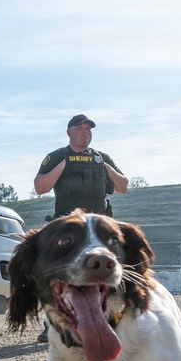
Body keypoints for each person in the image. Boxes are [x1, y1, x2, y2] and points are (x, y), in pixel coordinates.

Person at [32, 114, 129, 341]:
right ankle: (53, 326)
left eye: (88, 129)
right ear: (69, 132)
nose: (85, 132)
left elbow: (123, 186)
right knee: (59, 279)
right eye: (80, 128)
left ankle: (108, 323)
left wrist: (106, 168)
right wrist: (62, 166)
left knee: (104, 278)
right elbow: (40, 187)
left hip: (99, 231)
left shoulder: (101, 158)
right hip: (68, 234)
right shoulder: (56, 156)